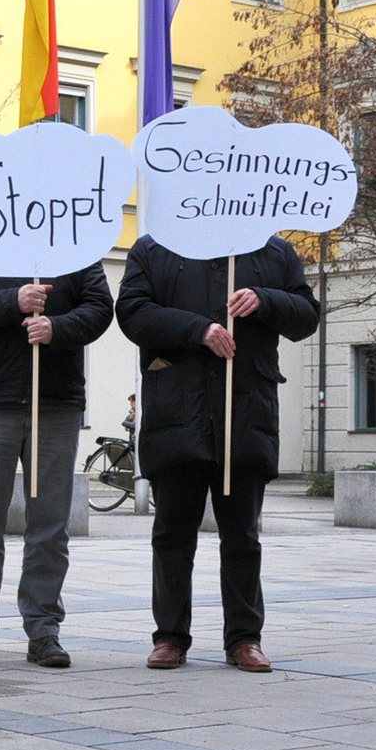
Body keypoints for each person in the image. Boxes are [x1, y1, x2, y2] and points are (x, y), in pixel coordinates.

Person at [117, 235, 317, 674]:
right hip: (177, 412)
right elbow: (132, 313)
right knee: (172, 534)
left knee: (242, 535)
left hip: (245, 412)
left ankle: (244, 639)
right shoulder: (156, 247)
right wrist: (198, 330)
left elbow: (306, 317)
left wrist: (264, 299)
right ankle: (170, 637)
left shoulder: (272, 249)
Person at [0, 242, 114, 668]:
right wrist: (11, 301)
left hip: (54, 401)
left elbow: (100, 307)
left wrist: (57, 328)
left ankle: (44, 629)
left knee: (50, 526)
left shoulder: (71, 230)